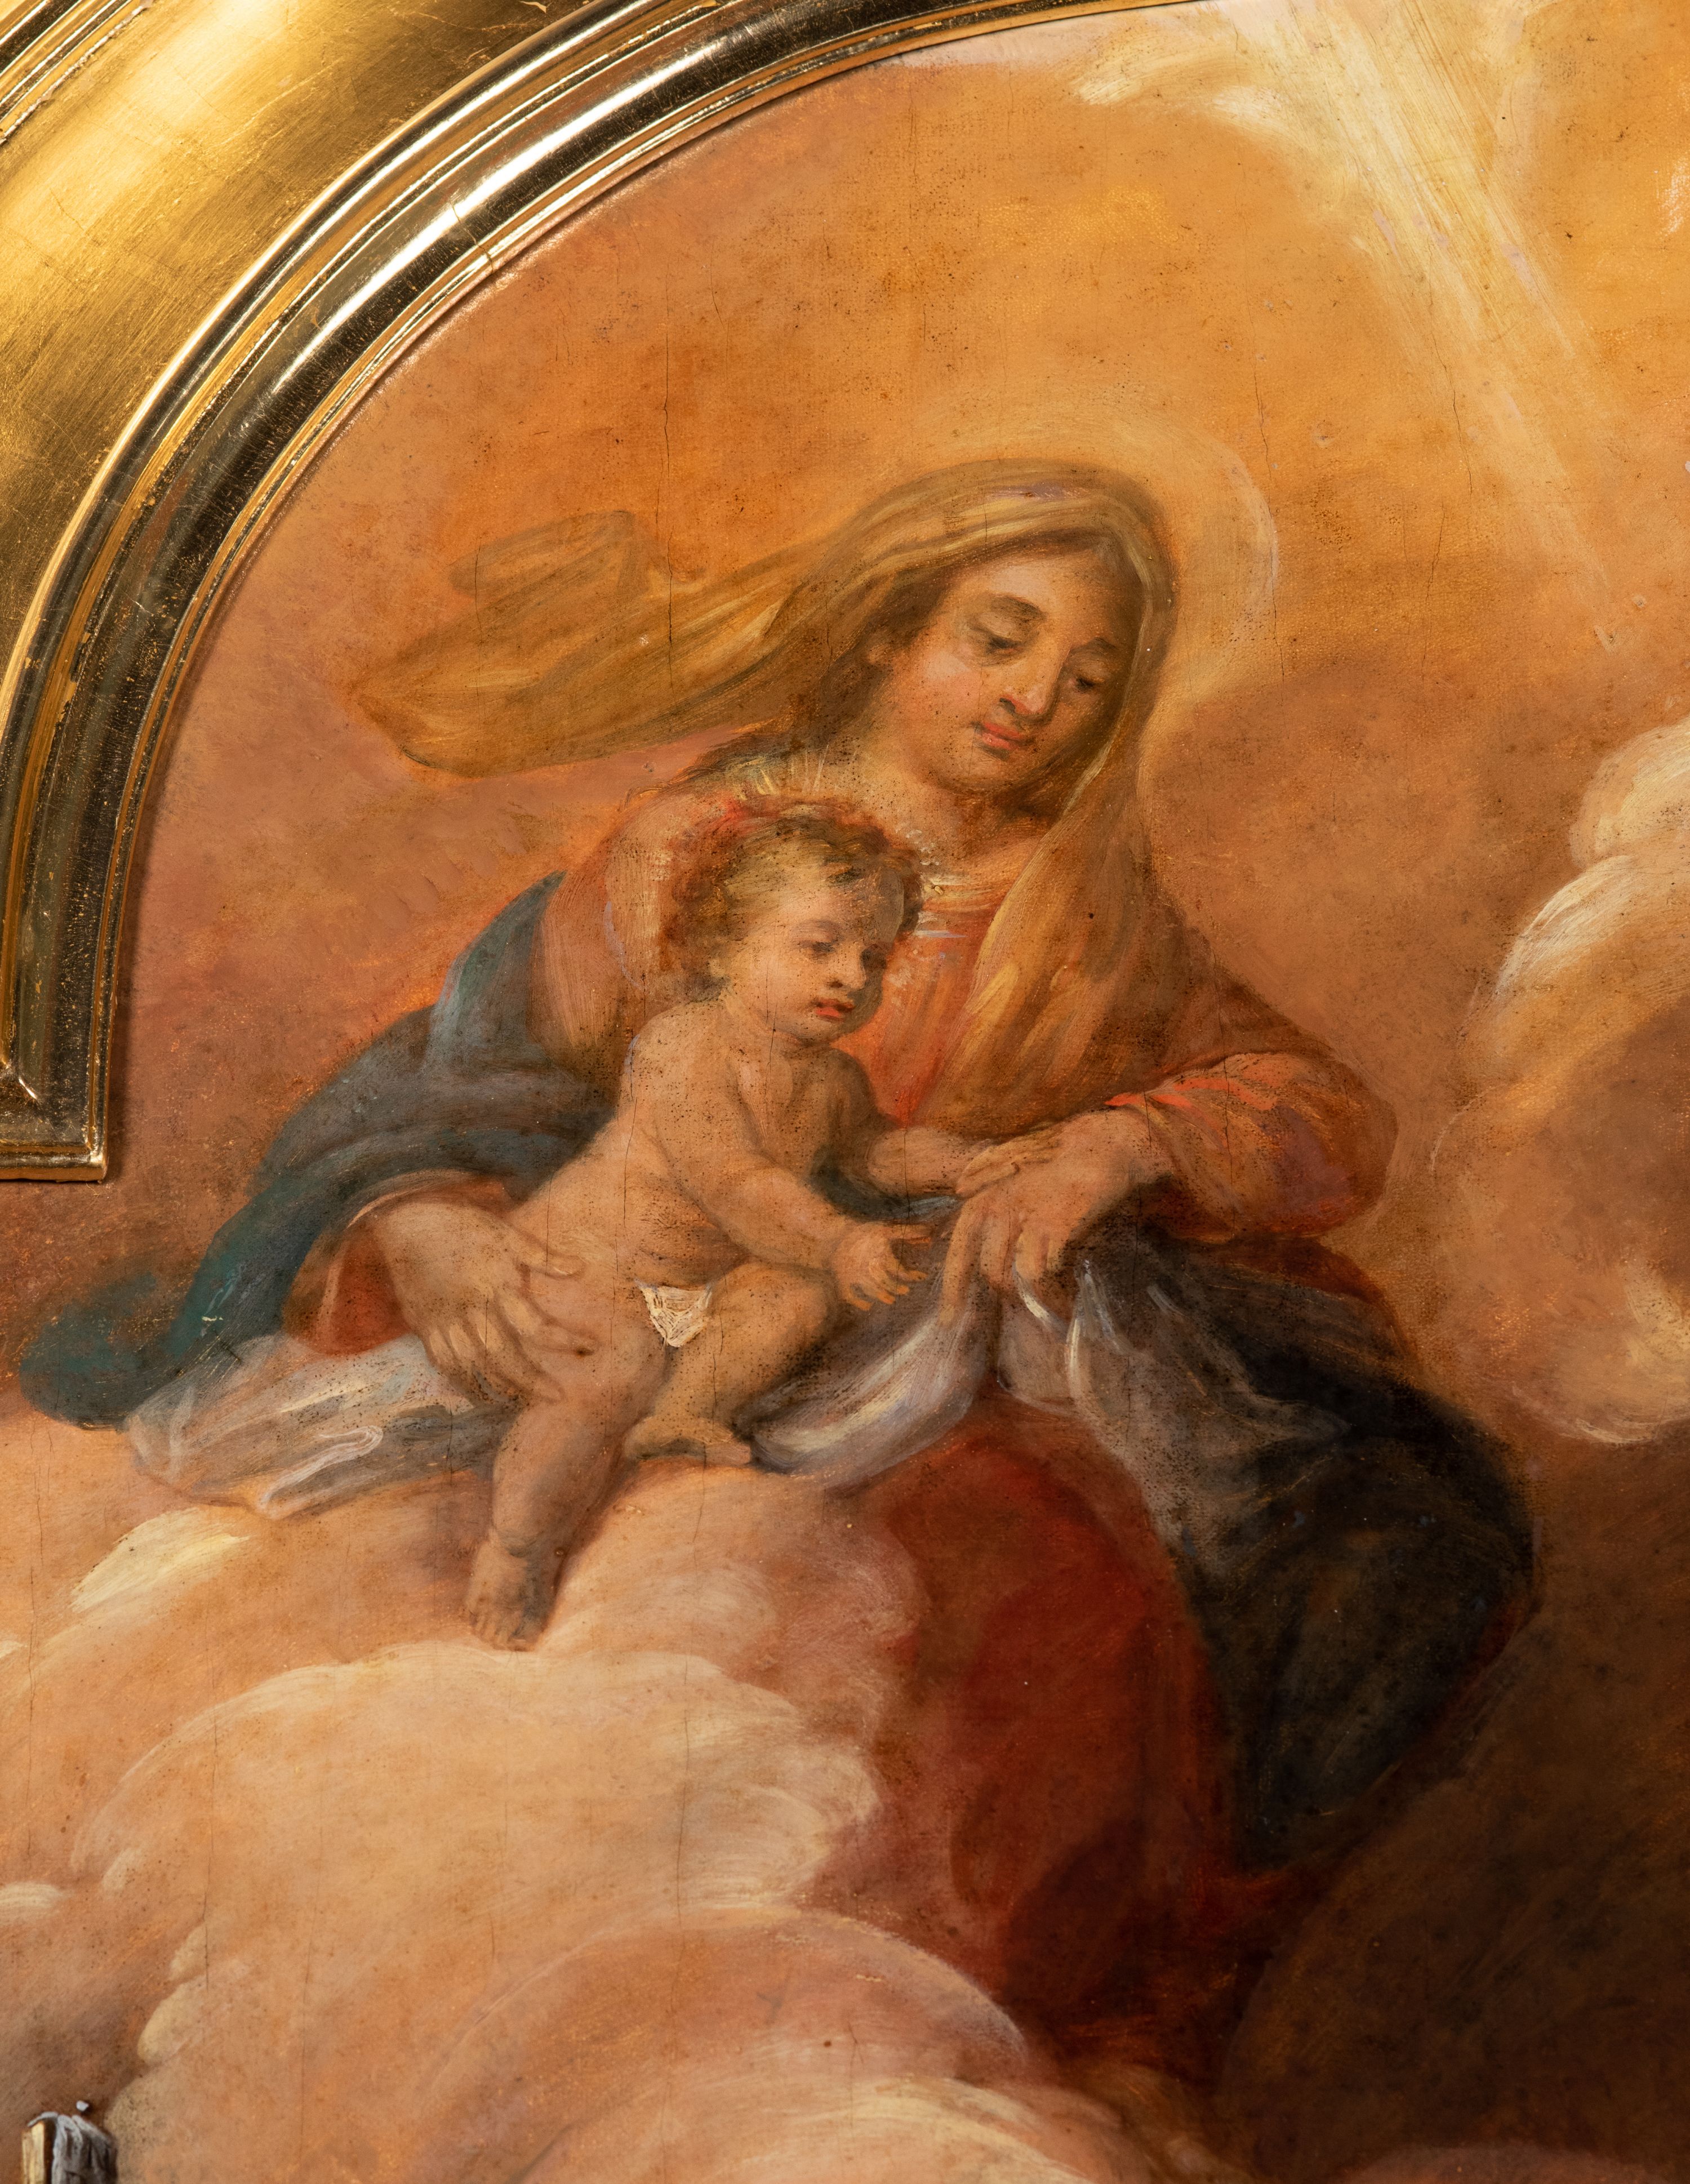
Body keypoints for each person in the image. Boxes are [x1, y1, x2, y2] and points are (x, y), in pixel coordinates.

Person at [24, 459, 1533, 2072]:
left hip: (896, 1345)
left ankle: (1011, 2052)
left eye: (1088, 678)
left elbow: (1316, 1115)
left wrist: (1126, 1141)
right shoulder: (699, 856)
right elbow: (460, 1082)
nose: (1037, 698)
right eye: (1001, 637)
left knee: (1198, 1568)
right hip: (653, 1300)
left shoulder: (1085, 912)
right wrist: (420, 1217)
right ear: (890, 631)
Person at [466, 794, 985, 1646]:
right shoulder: (683, 1047)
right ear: (724, 947)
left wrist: (964, 1163)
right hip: (580, 1268)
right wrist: (839, 1239)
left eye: (873, 956)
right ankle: (516, 1545)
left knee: (799, 1295)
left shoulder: (832, 1080)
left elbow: (874, 1152)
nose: (851, 977)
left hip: (698, 1285)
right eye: (819, 947)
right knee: (616, 1366)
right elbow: (735, 1183)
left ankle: (683, 1411)